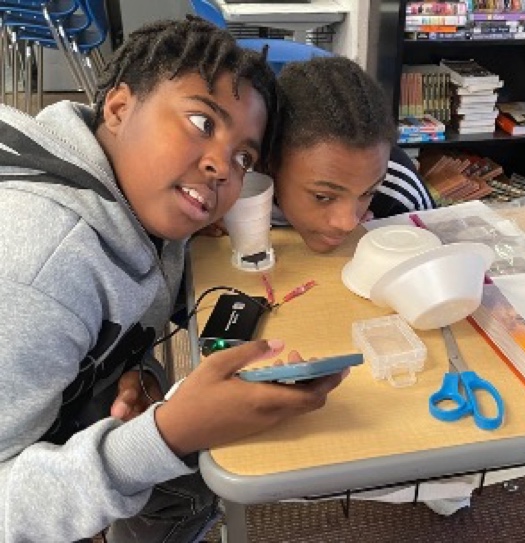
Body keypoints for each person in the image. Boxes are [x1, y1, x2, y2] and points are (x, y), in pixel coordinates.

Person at [0, 17, 347, 543]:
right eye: (202, 122)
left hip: (61, 399)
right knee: (193, 466)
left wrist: (133, 369)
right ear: (119, 108)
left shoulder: (132, 191)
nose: (223, 169)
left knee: (192, 474)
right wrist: (167, 434)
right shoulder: (41, 273)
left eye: (243, 156)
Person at [269, 55, 436, 253]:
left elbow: (434, 258)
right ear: (270, 165)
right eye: (322, 197)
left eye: (369, 193)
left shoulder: (400, 190)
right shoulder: (241, 190)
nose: (348, 223)